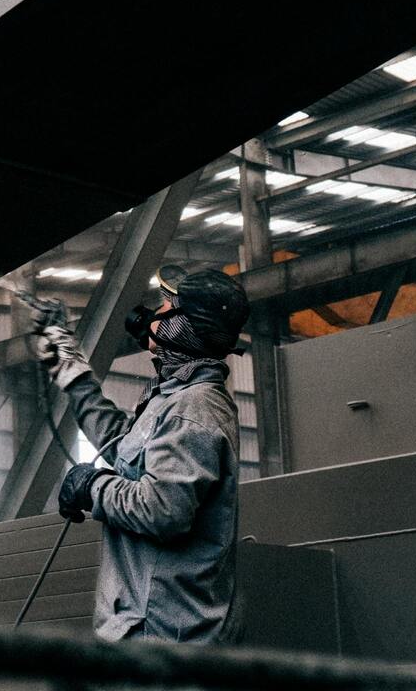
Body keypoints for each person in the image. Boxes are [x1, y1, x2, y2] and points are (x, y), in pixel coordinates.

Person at [32, 267, 251, 643]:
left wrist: (92, 487)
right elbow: (120, 446)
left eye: (166, 305)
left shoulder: (194, 408)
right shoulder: (174, 400)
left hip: (163, 639)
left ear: (185, 327)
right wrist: (69, 366)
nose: (155, 313)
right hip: (151, 631)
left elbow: (163, 509)